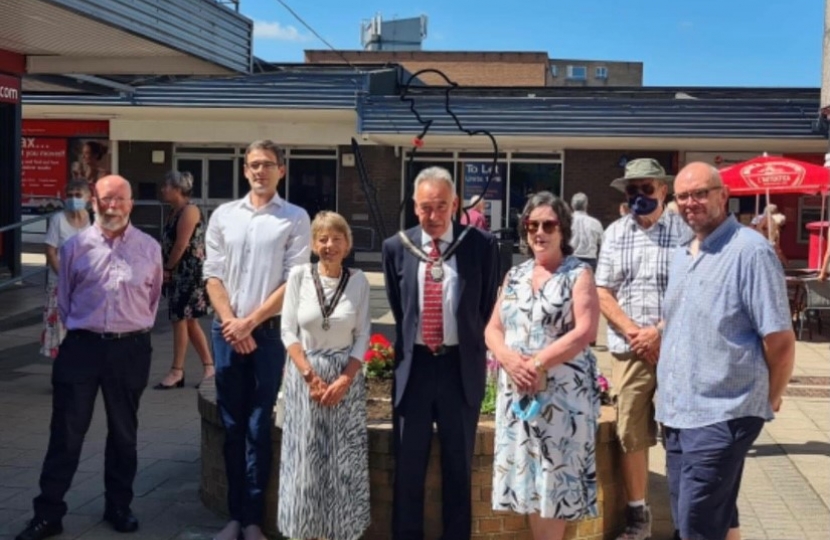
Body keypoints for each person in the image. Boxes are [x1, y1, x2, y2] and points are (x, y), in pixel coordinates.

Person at [16, 175, 163, 540]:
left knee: (124, 434)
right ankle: (48, 514)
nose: (113, 205)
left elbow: (153, 298)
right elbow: (64, 299)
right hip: (81, 347)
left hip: (130, 348)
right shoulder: (75, 247)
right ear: (94, 201)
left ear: (131, 203)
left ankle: (118, 506)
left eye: (121, 199)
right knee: (65, 434)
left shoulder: (149, 247)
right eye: (106, 198)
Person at [657, 162, 795, 540]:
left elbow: (781, 342)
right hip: (678, 413)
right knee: (714, 515)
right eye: (683, 195)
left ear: (723, 195)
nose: (691, 202)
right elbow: (684, 320)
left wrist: (769, 398)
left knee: (695, 524)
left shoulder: (750, 253)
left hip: (722, 414)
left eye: (700, 193)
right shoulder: (684, 255)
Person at [382, 166, 500, 540]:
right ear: (414, 206)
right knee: (408, 466)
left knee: (458, 465)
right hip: (414, 369)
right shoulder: (396, 247)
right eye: (424, 208)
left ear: (455, 204)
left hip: (458, 369)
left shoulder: (480, 245)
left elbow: (483, 309)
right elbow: (400, 310)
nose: (432, 216)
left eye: (440, 207)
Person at [203, 140, 311, 540]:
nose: (260, 171)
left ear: (281, 170)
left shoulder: (295, 218)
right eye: (253, 165)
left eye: (267, 164)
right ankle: (234, 517)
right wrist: (232, 321)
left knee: (258, 423)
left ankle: (252, 521)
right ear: (245, 170)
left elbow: (294, 279)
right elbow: (212, 275)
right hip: (226, 333)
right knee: (232, 424)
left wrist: (251, 322)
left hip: (267, 335)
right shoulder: (223, 216)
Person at [485, 192, 601, 540]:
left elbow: (585, 331)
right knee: (530, 482)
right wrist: (506, 357)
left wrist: (536, 363)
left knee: (555, 483)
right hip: (520, 398)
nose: (539, 231)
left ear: (563, 229)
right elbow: (492, 328)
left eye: (548, 224)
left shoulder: (578, 273)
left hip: (562, 400)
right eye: (532, 224)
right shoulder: (515, 274)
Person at [595, 158, 690, 540]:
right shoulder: (615, 233)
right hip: (629, 350)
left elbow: (696, 289)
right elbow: (603, 291)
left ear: (664, 191)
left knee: (683, 437)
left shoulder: (686, 232)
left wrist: (660, 333)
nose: (638, 197)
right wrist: (638, 334)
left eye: (646, 189)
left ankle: (686, 518)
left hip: (679, 350)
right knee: (630, 433)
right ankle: (639, 517)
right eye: (632, 190)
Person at [278, 211, 371, 540]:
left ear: (347, 244)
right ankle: (305, 532)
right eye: (322, 238)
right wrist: (309, 376)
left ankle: (340, 531)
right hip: (307, 377)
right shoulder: (300, 277)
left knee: (341, 462)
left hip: (344, 380)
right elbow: (288, 331)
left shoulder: (358, 281)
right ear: (314, 245)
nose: (329, 244)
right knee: (306, 459)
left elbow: (362, 335)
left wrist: (345, 379)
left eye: (336, 238)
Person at [154, 171, 214, 389]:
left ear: (178, 189)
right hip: (178, 272)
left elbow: (181, 244)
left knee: (180, 319)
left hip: (189, 274)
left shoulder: (189, 211)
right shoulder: (173, 211)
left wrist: (168, 268)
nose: (163, 190)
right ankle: (209, 367)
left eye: (166, 186)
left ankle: (177, 370)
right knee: (188, 321)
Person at [40, 180, 91, 359]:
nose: (73, 199)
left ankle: (79, 372)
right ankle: (61, 375)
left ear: (88, 197)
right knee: (58, 332)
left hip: (85, 285)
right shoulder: (58, 220)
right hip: (59, 285)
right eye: (69, 195)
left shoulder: (93, 222)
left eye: (78, 195)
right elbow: (50, 251)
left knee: (83, 330)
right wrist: (64, 277)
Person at [569, 192, 603, 272]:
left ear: (572, 205)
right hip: (590, 260)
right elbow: (603, 243)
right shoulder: (595, 223)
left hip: (570, 259)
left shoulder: (567, 222)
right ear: (586, 205)